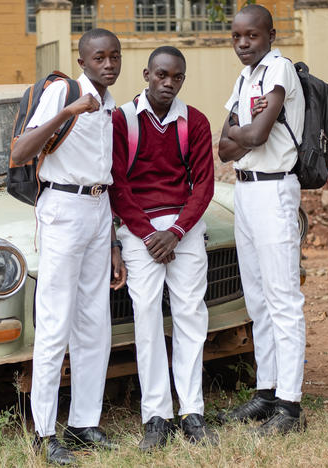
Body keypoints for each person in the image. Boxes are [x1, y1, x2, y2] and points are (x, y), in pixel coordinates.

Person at [9, 28, 126, 465]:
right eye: (100, 57)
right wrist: (70, 109)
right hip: (62, 208)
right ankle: (43, 433)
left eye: (114, 56)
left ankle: (82, 423)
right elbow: (21, 151)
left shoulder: (111, 103)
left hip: (98, 208)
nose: (109, 64)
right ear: (83, 60)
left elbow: (104, 171)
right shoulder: (63, 91)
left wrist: (113, 239)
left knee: (95, 322)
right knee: (56, 321)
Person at [109, 46, 216, 451]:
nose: (168, 83)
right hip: (139, 231)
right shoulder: (123, 120)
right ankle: (156, 414)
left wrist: (176, 230)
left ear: (182, 80)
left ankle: (192, 411)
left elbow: (203, 184)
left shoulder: (196, 122)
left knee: (191, 313)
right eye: (161, 75)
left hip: (182, 227)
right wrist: (146, 233)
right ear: (147, 74)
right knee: (147, 317)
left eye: (176, 78)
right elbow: (116, 182)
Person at [217, 4, 307, 435]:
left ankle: (290, 406)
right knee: (256, 298)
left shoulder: (279, 70)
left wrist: (241, 133)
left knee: (283, 297)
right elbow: (223, 148)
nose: (242, 44)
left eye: (251, 36)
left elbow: (253, 135)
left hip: (274, 190)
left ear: (271, 35)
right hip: (245, 192)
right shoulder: (244, 78)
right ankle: (267, 391)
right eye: (236, 37)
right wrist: (240, 135)